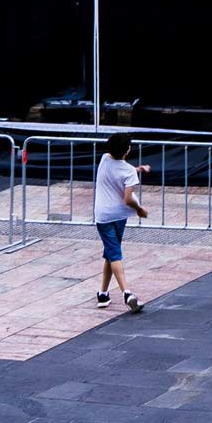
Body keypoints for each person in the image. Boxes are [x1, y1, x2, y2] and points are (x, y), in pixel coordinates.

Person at [93, 132, 148, 313]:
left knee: (111, 251)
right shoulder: (128, 172)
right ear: (128, 149)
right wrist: (139, 209)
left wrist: (136, 170)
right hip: (119, 215)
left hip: (103, 215)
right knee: (115, 252)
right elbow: (128, 199)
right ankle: (127, 293)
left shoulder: (104, 159)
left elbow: (117, 164)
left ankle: (103, 293)